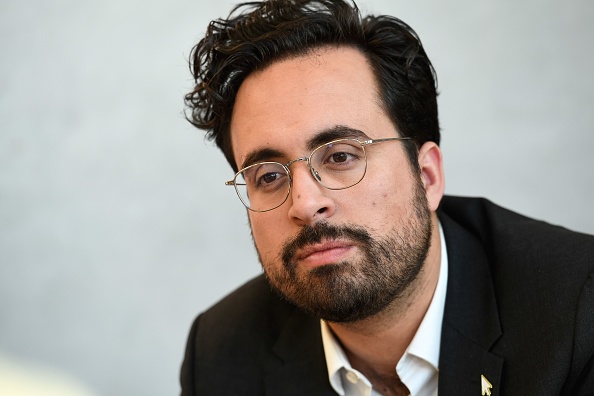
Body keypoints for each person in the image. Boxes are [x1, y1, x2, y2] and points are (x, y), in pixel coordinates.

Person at [180, 1, 594, 395]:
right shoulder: (221, 355)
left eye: (341, 156)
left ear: (427, 176)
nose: (305, 204)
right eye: (269, 176)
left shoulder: (577, 311)